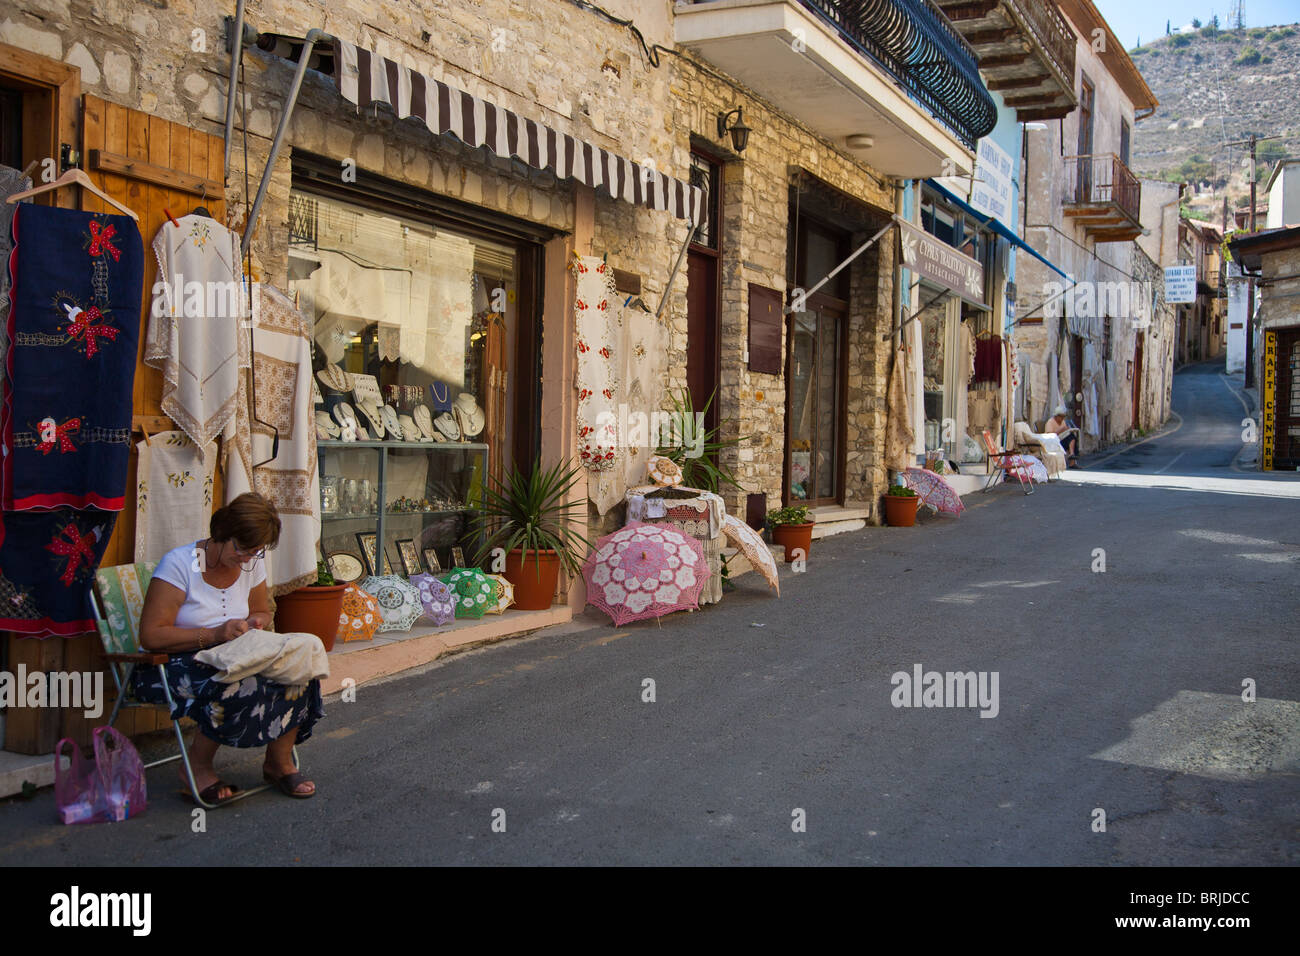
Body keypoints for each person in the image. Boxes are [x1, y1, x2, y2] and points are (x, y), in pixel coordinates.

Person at [135, 492, 322, 803]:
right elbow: (151, 636)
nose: (247, 559)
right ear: (221, 532)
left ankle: (279, 761)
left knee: (302, 663)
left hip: (232, 652)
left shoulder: (250, 565)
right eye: (241, 549)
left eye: (256, 553)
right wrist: (215, 634)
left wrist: (254, 625)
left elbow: (262, 611)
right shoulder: (181, 564)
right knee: (238, 680)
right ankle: (196, 767)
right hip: (171, 663)